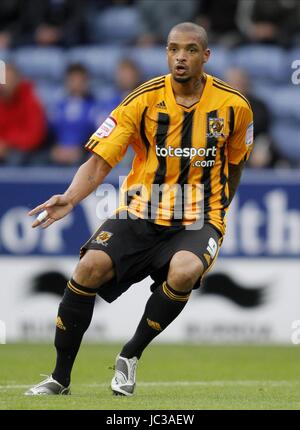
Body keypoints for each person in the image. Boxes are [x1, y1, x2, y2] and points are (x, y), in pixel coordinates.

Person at [25, 22, 253, 397]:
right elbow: (100, 162)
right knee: (88, 268)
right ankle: (59, 378)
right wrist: (70, 196)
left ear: (206, 56)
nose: (181, 57)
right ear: (166, 53)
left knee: (185, 270)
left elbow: (237, 162)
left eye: (191, 50)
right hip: (141, 211)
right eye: (173, 48)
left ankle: (130, 355)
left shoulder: (234, 106)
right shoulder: (142, 99)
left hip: (198, 216)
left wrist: (219, 208)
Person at [49, 63, 98, 166]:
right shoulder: (57, 107)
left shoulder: (95, 108)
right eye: (73, 80)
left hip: (84, 155)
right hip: (58, 153)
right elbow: (48, 133)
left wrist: (81, 150)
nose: (77, 84)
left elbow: (99, 135)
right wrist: (54, 148)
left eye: (80, 80)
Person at [0, 63, 47, 165]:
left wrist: (7, 143)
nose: (5, 84)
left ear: (17, 80)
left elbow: (34, 137)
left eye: (9, 79)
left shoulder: (31, 101)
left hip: (25, 152)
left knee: (16, 158)